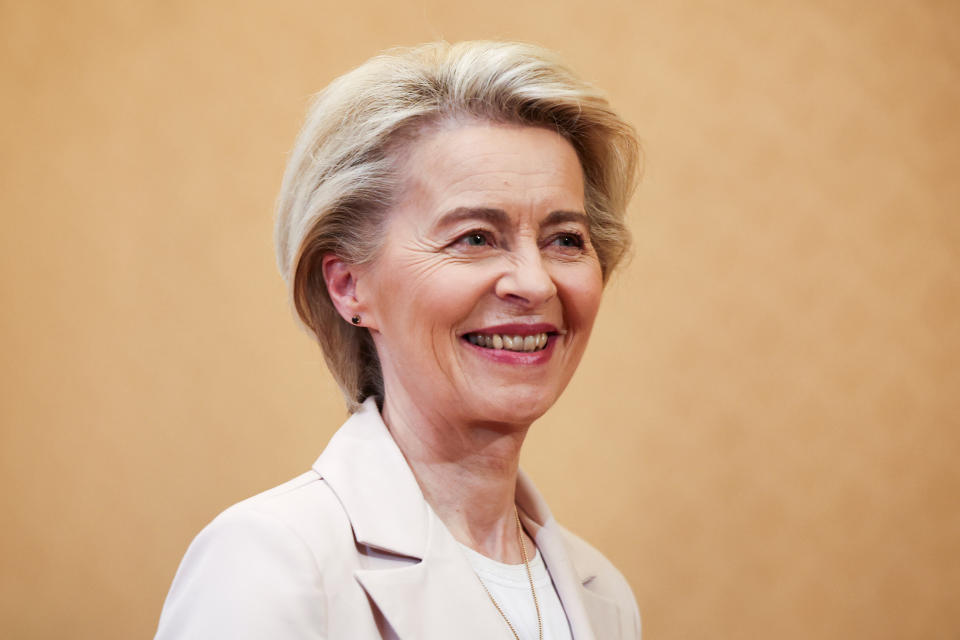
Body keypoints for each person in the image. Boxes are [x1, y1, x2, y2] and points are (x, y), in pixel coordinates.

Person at [155, 40, 642, 640]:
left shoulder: (604, 596)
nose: (534, 282)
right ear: (349, 285)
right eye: (474, 238)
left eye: (565, 239)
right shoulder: (272, 562)